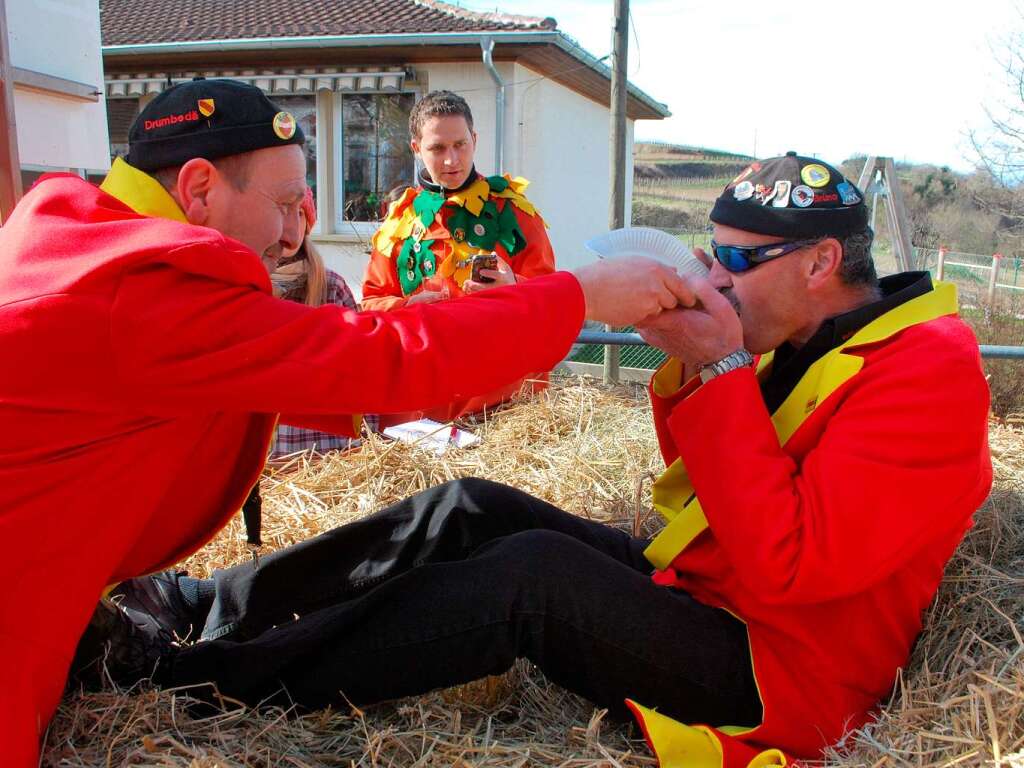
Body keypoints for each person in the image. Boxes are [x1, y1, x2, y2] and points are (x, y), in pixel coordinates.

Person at [104, 154, 992, 767]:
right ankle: (205, 604)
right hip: (724, 596)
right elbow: (703, 482)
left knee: (530, 579)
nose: (714, 278)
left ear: (822, 262)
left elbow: (789, 561)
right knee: (473, 504)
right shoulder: (810, 330)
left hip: (781, 672)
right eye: (709, 255)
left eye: (734, 260)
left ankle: (198, 681)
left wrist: (721, 369)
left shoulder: (930, 373)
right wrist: (695, 366)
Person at [0, 77, 691, 767]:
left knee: (464, 509)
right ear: (200, 188)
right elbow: (382, 356)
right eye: (281, 204)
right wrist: (577, 295)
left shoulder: (79, 240)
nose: (291, 232)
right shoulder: (142, 290)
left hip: (65, 598)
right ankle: (201, 672)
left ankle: (191, 615)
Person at [361, 90, 556, 422]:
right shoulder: (398, 225)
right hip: (421, 416)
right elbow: (370, 305)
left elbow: (554, 303)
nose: (451, 160)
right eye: (437, 148)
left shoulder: (515, 214)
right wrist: (407, 308)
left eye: (460, 145)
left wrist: (515, 288)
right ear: (416, 149)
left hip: (506, 413)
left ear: (474, 140)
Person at [269, 188, 378, 457]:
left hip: (328, 452)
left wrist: (368, 443)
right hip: (273, 458)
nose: (291, 226)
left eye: (300, 214)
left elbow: (364, 371)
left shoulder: (331, 287)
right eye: (282, 212)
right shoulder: (246, 289)